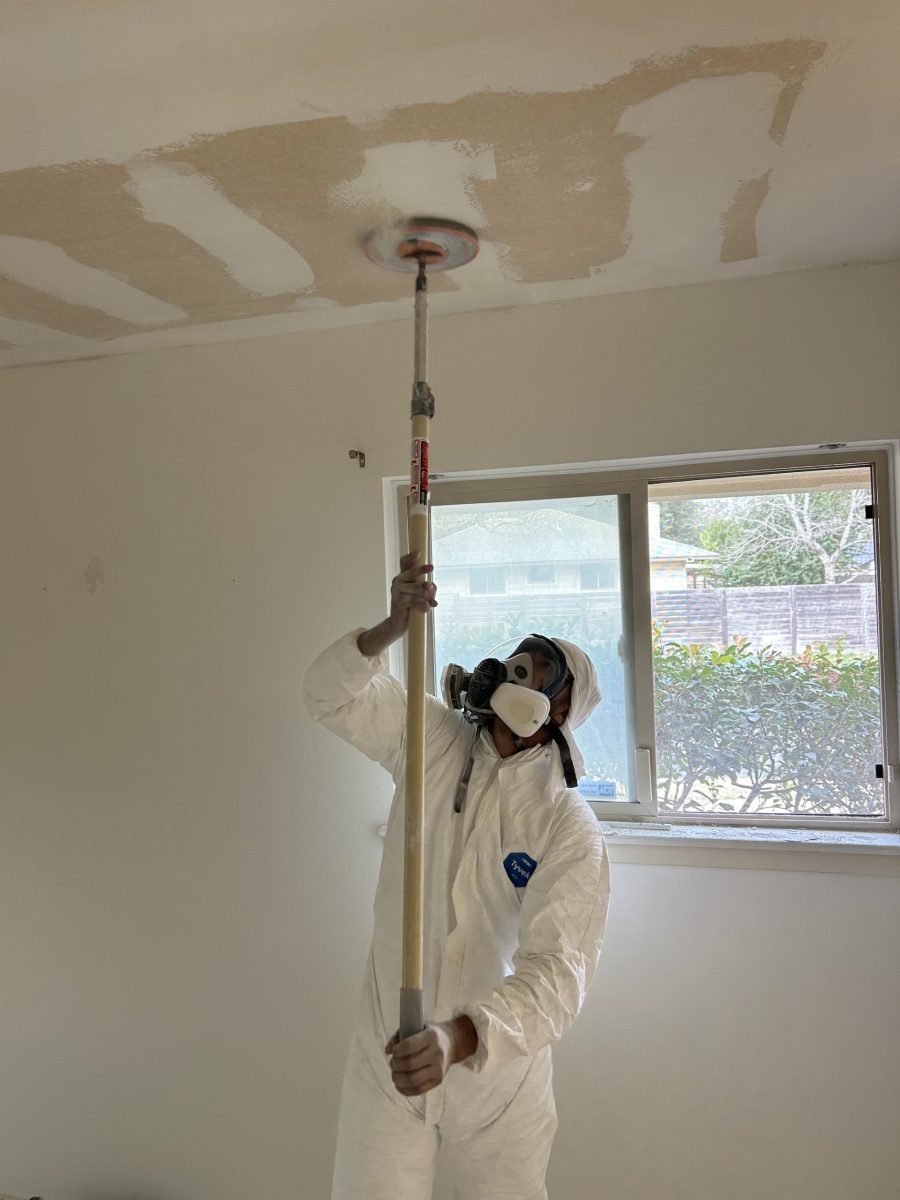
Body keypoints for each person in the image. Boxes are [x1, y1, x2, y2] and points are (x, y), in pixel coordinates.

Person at [303, 551, 611, 1200]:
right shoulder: (432, 741)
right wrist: (390, 627)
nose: (518, 671)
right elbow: (328, 696)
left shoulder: (564, 822)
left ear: (558, 712)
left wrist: (462, 1036)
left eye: (539, 670)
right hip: (390, 1052)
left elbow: (558, 971)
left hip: (495, 1081)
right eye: (517, 658)